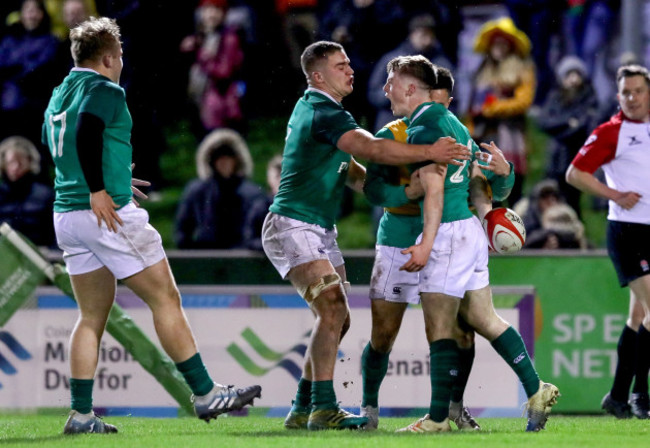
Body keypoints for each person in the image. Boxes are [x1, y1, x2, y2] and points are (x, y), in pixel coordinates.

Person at [42, 17, 261, 434]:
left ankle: (81, 414)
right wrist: (100, 188)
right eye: (119, 55)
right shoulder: (103, 88)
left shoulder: (58, 94)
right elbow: (88, 130)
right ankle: (205, 392)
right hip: (104, 213)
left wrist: (113, 176)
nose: (121, 62)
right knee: (165, 297)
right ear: (108, 57)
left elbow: (67, 144)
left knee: (91, 316)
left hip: (67, 216)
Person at [262, 40, 470, 431]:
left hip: (318, 227)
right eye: (341, 65)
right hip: (293, 222)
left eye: (349, 62)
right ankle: (324, 408)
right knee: (333, 309)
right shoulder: (322, 111)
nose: (351, 69)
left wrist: (401, 194)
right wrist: (430, 152)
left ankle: (302, 407)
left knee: (337, 319)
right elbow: (372, 149)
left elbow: (354, 172)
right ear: (318, 75)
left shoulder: (327, 112)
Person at [378, 56, 559, 433]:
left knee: (440, 327)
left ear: (411, 88)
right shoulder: (455, 123)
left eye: (392, 81)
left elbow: (433, 191)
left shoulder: (423, 125)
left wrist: (426, 243)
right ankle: (536, 387)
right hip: (469, 232)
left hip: (446, 233)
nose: (386, 89)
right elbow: (475, 179)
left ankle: (439, 419)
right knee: (483, 319)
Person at [360, 63, 515, 431]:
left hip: (445, 244)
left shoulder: (455, 134)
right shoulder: (393, 134)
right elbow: (372, 190)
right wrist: (408, 192)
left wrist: (504, 177)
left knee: (462, 331)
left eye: (446, 103)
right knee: (383, 334)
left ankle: (452, 409)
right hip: (398, 242)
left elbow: (485, 187)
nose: (442, 109)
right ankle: (368, 408)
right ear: (427, 94)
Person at [566, 64, 650, 420]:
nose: (631, 98)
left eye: (638, 91)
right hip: (628, 231)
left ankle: (619, 397)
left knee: (639, 316)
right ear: (618, 97)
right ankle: (640, 396)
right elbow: (574, 174)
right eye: (625, 92)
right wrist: (613, 193)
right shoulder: (610, 132)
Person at [468, 17, 536, 206]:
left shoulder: (522, 70)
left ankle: (516, 227)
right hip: (486, 135)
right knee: (489, 187)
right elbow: (472, 104)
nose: (499, 48)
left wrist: (494, 108)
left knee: (513, 183)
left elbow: (523, 101)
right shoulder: (482, 71)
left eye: (503, 43)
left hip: (510, 134)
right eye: (495, 43)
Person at [174, 128, 264, 249]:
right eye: (218, 157)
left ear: (237, 160)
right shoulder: (197, 191)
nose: (224, 162)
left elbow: (261, 233)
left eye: (228, 157)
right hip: (207, 256)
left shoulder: (252, 193)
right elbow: (182, 232)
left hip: (242, 257)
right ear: (211, 161)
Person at [367, 13, 452, 133]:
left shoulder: (442, 64)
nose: (427, 40)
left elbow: (452, 99)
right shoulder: (391, 60)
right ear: (412, 34)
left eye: (431, 35)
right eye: (423, 35)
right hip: (392, 128)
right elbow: (373, 94)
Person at [538, 56, 599, 215]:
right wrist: (568, 122)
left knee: (572, 200)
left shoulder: (589, 98)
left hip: (575, 157)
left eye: (576, 74)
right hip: (555, 158)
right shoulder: (555, 97)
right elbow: (544, 122)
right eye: (569, 75)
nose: (573, 80)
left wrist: (561, 127)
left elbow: (584, 125)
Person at [0, 0, 61, 149]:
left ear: (43, 14)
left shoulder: (51, 40)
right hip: (8, 105)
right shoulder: (9, 41)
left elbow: (41, 70)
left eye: (36, 11)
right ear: (21, 15)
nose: (32, 15)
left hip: (35, 107)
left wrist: (15, 70)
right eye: (28, 10)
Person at [180, 0, 245, 136]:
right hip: (201, 101)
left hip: (222, 104)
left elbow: (224, 72)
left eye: (217, 10)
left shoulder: (229, 38)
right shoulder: (202, 36)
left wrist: (201, 55)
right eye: (207, 9)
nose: (211, 15)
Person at [0, 136, 55, 247]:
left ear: (30, 162)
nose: (15, 167)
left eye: (20, 163)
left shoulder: (46, 195)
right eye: (11, 162)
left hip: (40, 255)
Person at [243, 154, 282, 251]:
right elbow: (249, 239)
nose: (281, 180)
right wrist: (272, 245)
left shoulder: (300, 206)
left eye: (284, 175)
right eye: (277, 176)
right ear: (270, 179)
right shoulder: (260, 207)